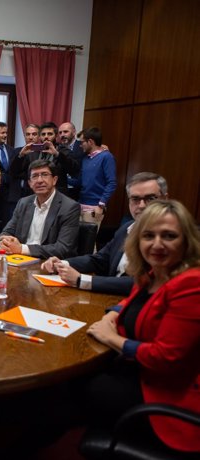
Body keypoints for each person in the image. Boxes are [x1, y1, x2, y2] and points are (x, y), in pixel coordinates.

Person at [85, 199, 200, 452]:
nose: (157, 244)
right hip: (137, 373)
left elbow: (165, 357)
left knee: (72, 390)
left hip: (167, 394)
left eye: (168, 236)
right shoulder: (153, 273)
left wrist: (111, 338)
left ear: (187, 241)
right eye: (149, 235)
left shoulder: (191, 284)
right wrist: (111, 316)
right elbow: (130, 302)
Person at [41, 172, 168, 296]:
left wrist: (81, 280)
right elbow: (99, 260)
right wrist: (63, 264)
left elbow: (143, 282)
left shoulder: (169, 238)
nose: (141, 205)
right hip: (112, 299)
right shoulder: (126, 228)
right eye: (135, 199)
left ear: (165, 199)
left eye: (150, 198)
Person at [0, 159, 80, 259]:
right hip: (19, 260)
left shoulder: (69, 207)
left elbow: (63, 248)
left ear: (54, 180)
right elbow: (6, 232)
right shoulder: (23, 203)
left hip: (49, 264)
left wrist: (21, 249)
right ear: (30, 183)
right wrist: (4, 241)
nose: (40, 180)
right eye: (35, 176)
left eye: (44, 174)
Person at [10, 122, 79, 196]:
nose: (46, 137)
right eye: (43, 134)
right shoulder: (32, 152)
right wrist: (21, 155)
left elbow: (74, 170)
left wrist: (57, 154)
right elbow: (15, 172)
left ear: (56, 136)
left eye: (49, 134)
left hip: (57, 194)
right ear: (39, 137)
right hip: (35, 194)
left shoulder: (64, 151)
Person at [78, 126, 117, 227]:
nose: (80, 145)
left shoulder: (107, 157)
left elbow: (112, 183)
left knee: (89, 241)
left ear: (90, 142)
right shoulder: (85, 159)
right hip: (80, 205)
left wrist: (101, 204)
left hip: (94, 208)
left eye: (82, 142)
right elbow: (80, 180)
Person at [0, 121, 21, 242]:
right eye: (2, 133)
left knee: (8, 221)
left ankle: (5, 243)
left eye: (6, 133)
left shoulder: (12, 150)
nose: (5, 135)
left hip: (10, 192)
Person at [9, 123, 40, 197]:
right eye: (28, 134)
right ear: (25, 136)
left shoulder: (44, 152)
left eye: (34, 134)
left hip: (37, 191)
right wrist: (21, 155)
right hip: (18, 192)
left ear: (39, 136)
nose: (31, 137)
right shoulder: (17, 151)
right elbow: (12, 171)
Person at [57, 122, 85, 200]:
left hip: (78, 191)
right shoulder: (57, 148)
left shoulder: (82, 146)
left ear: (74, 132)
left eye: (65, 132)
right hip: (61, 190)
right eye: (60, 133)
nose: (62, 135)